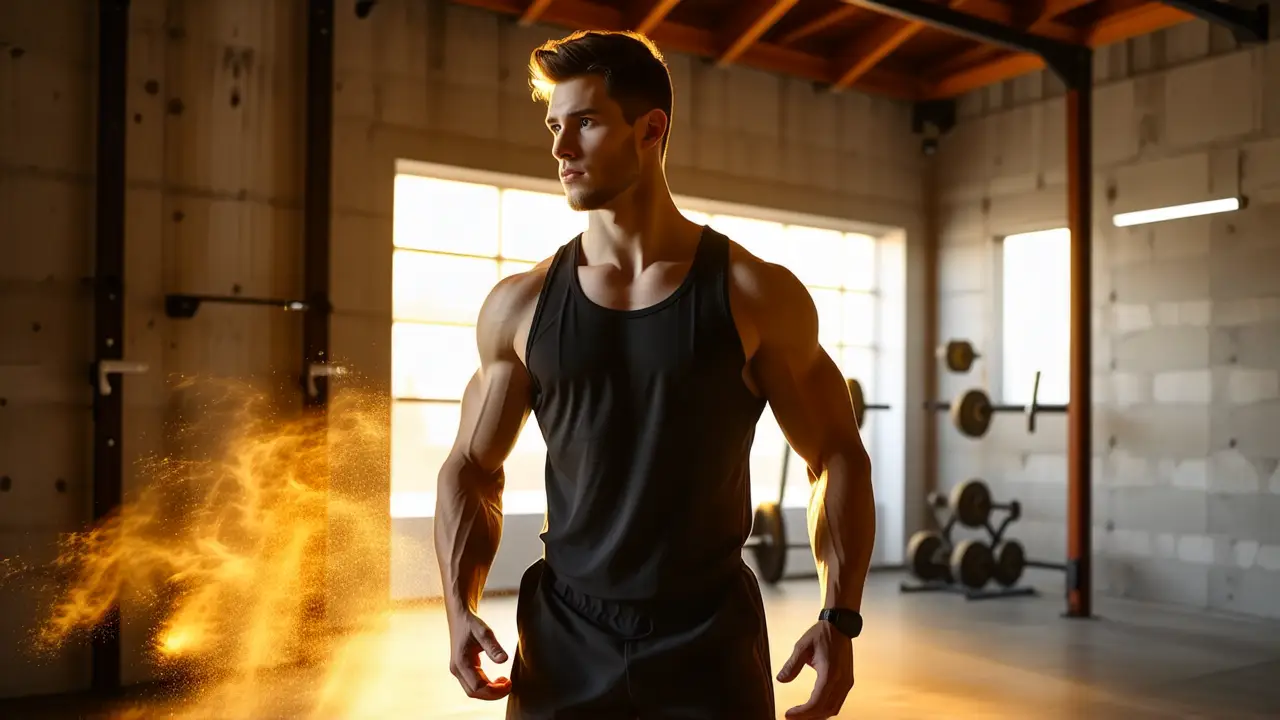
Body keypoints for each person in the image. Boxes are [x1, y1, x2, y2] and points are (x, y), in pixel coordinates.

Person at [434, 29, 876, 720]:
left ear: (650, 129)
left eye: (584, 122)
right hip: (563, 639)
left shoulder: (754, 294)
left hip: (708, 641)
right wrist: (457, 609)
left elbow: (838, 454)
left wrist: (839, 618)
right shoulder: (520, 306)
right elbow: (469, 464)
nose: (560, 148)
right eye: (554, 126)